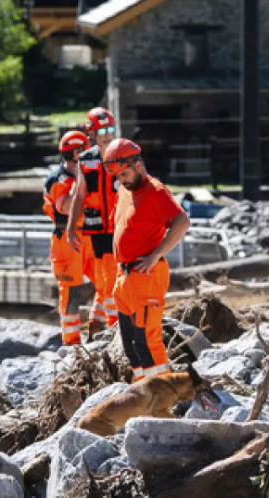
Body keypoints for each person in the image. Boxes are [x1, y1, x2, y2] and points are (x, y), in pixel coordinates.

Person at [102, 139, 191, 381]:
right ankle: (143, 391)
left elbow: (182, 222)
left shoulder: (156, 191)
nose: (123, 180)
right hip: (124, 276)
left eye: (125, 173)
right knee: (130, 343)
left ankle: (166, 393)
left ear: (138, 165)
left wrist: (155, 255)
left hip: (146, 275)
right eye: (118, 176)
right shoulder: (124, 190)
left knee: (146, 340)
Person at [66, 107, 121, 337]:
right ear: (92, 133)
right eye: (102, 131)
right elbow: (79, 196)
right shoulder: (86, 161)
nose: (108, 135)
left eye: (110, 129)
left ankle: (113, 324)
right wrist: (70, 229)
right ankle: (111, 325)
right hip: (97, 230)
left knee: (117, 278)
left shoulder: (123, 153)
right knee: (106, 280)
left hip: (121, 227)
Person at [43, 130, 95, 346]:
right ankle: (71, 343)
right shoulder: (57, 180)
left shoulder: (91, 174)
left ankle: (99, 326)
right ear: (75, 153)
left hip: (91, 235)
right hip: (66, 238)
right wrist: (81, 185)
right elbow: (65, 207)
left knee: (106, 282)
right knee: (71, 291)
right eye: (85, 149)